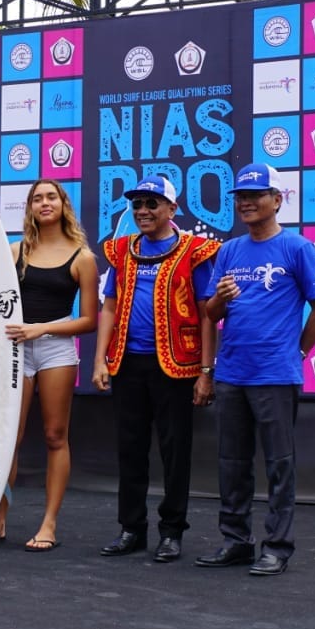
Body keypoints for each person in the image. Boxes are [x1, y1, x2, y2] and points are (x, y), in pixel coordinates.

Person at [195, 163, 315, 577]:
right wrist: (219, 297)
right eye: (241, 196)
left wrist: (298, 353)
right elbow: (211, 312)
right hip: (232, 373)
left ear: (277, 200)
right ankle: (236, 541)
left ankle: (277, 546)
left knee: (279, 464)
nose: (247, 202)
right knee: (231, 463)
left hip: (275, 375)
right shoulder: (230, 251)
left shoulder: (297, 248)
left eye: (256, 195)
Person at [92, 176, 221, 563]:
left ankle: (172, 532)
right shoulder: (120, 251)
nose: (143, 211)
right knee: (130, 449)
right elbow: (109, 307)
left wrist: (205, 371)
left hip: (177, 367)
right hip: (128, 364)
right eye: (137, 205)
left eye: (152, 204)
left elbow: (207, 314)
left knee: (175, 451)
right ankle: (131, 528)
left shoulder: (195, 252)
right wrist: (100, 359)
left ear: (172, 209)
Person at [0, 180, 98, 552]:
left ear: (63, 204)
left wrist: (41, 329)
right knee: (7, 440)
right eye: (37, 198)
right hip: (15, 349)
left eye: (51, 197)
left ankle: (48, 524)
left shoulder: (82, 257)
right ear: (30, 207)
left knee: (54, 436)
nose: (44, 203)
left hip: (56, 350)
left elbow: (89, 321)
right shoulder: (16, 251)